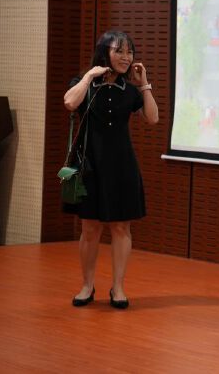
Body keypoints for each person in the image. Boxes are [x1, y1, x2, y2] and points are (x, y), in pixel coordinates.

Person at [63, 30, 159, 309]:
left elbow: (152, 118)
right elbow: (70, 102)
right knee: (90, 227)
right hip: (89, 165)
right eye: (119, 51)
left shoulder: (129, 91)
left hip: (122, 166)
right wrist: (88, 77)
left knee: (121, 226)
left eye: (129, 52)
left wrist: (144, 84)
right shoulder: (85, 83)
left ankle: (118, 287)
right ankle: (87, 285)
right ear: (104, 52)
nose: (126, 57)